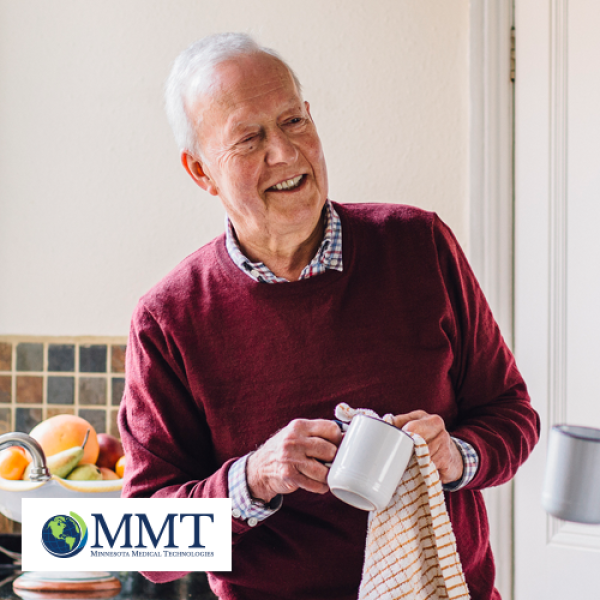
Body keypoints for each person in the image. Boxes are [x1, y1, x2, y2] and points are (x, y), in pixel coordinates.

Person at [119, 32, 540, 600]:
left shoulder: (420, 244)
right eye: (249, 138)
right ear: (202, 172)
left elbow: (512, 414)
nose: (285, 153)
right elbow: (144, 549)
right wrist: (256, 477)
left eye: (293, 122)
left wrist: (454, 457)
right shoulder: (167, 319)